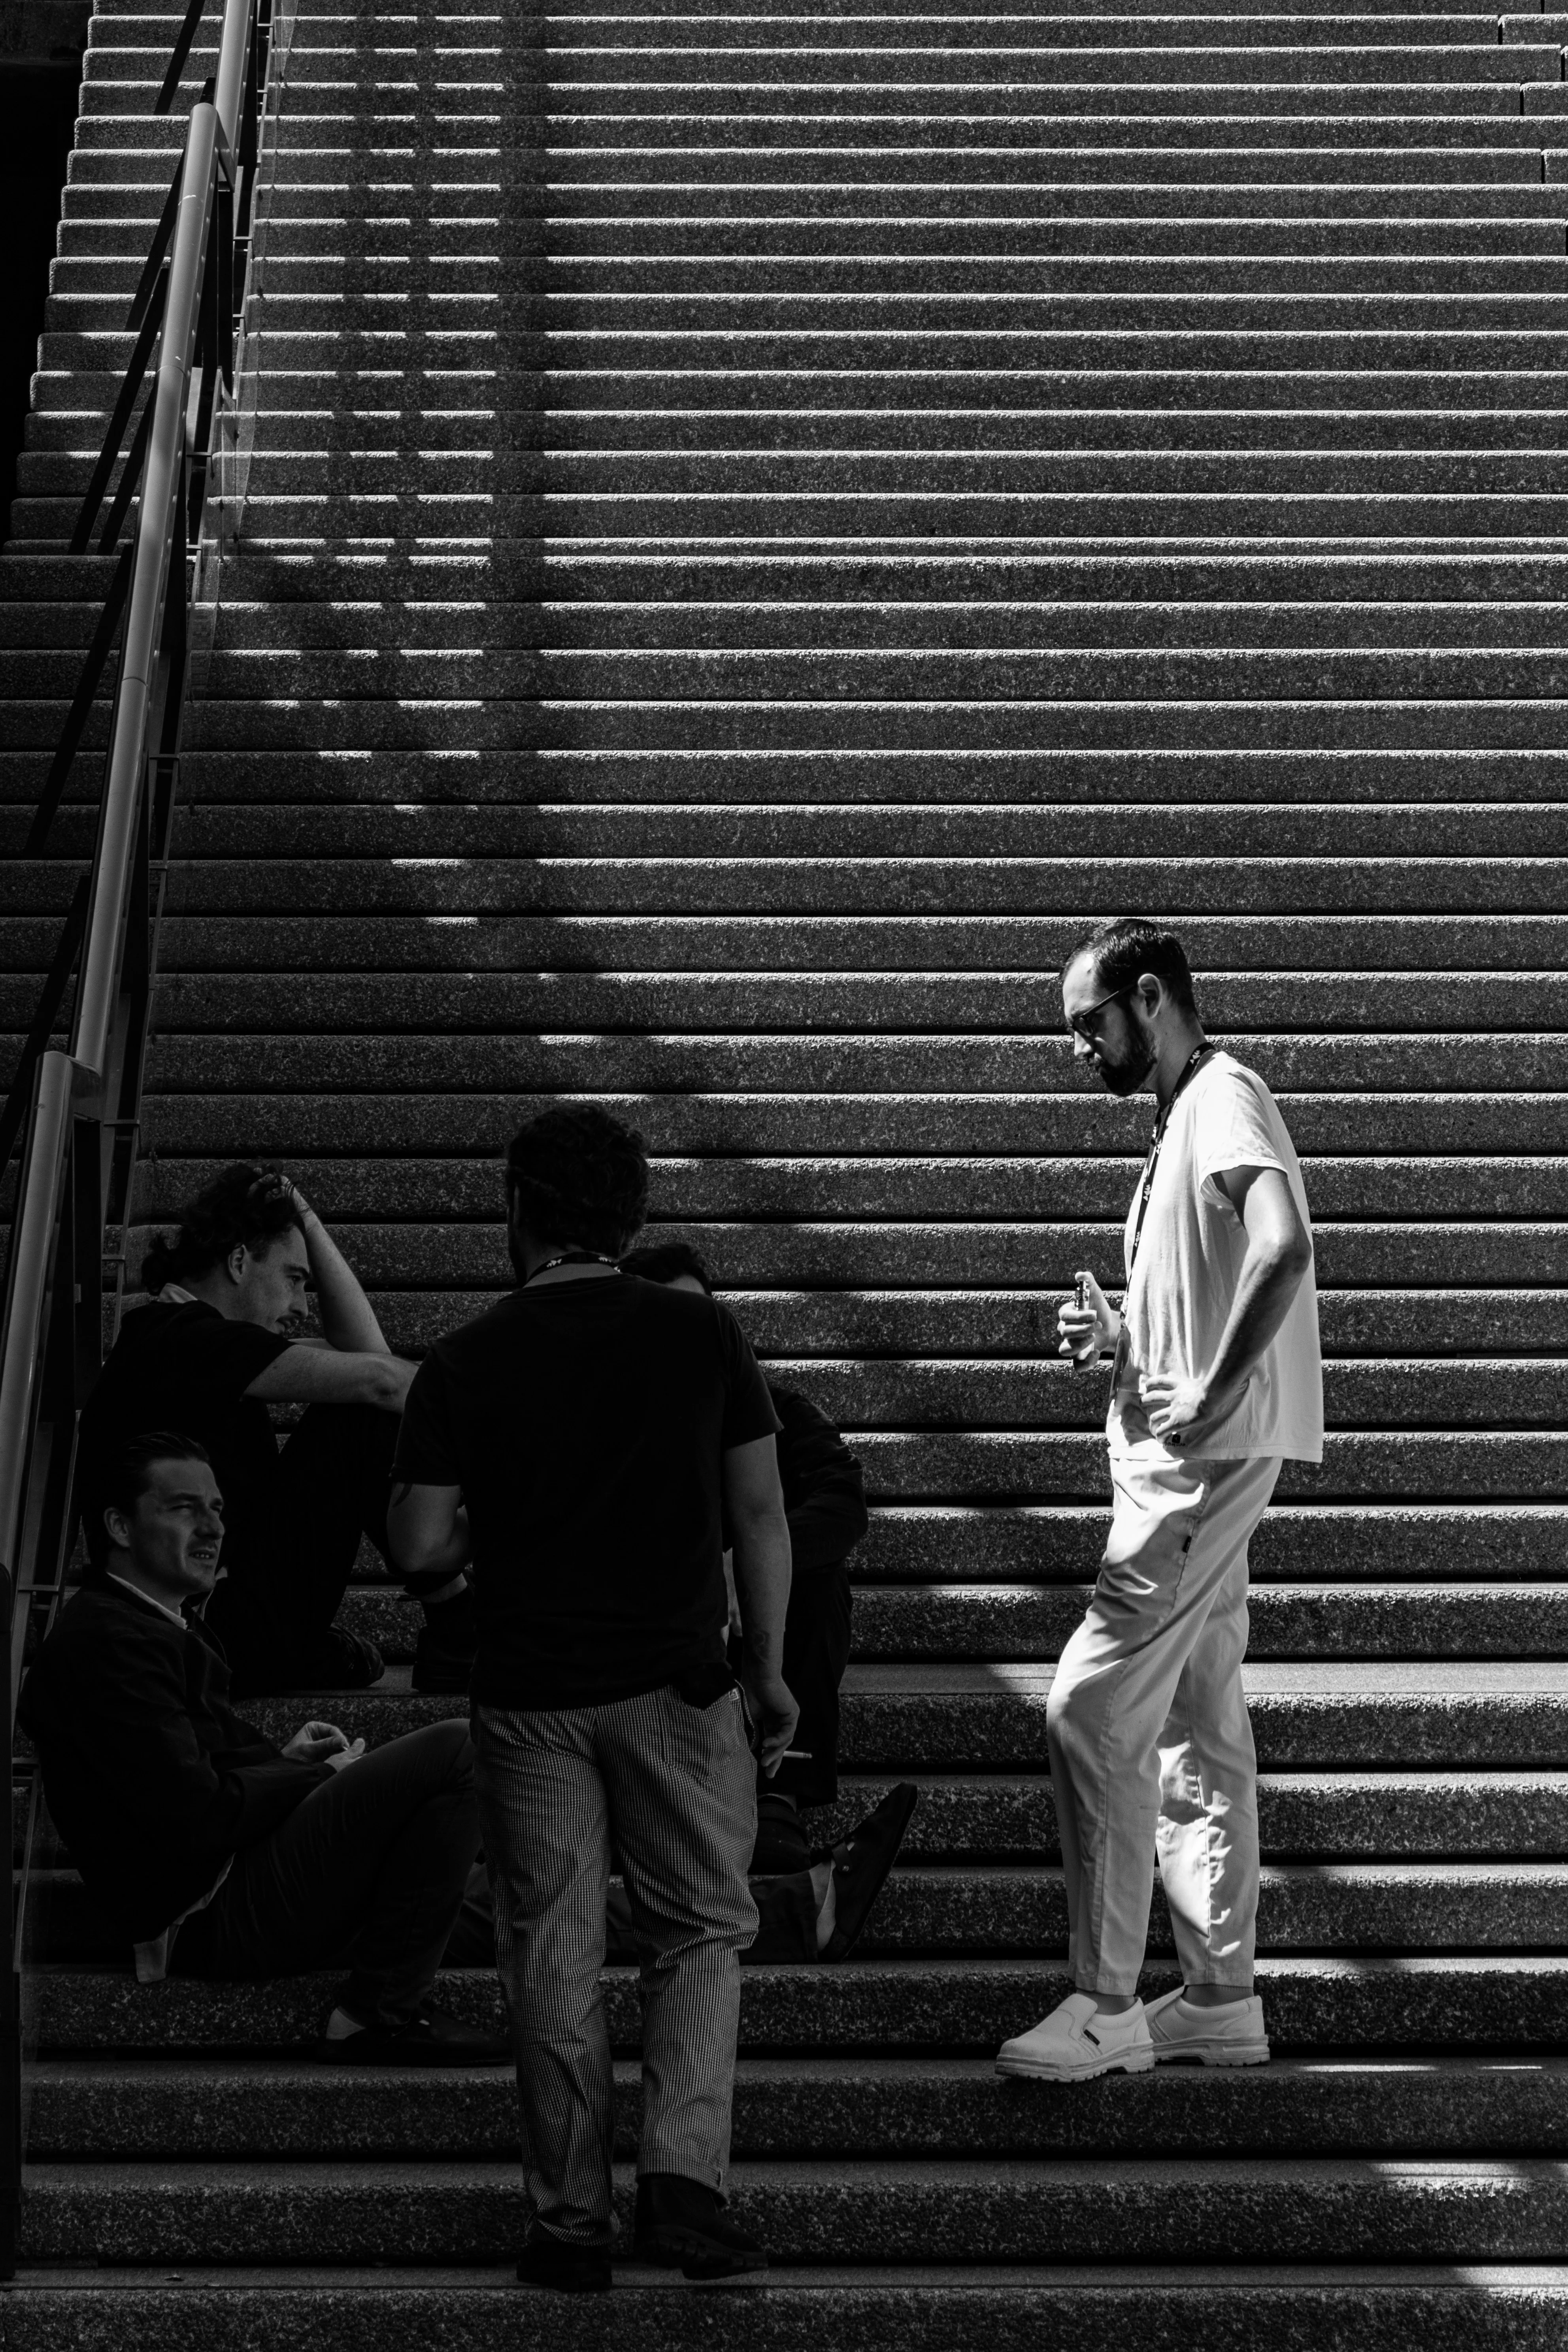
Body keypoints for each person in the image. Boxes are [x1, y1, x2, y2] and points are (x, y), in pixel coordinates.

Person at [388, 1107, 912, 2295]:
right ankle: (683, 2180)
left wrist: (490, 1519)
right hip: (677, 1683)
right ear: (632, 1216)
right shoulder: (699, 1336)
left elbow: (419, 1540)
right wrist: (770, 1667)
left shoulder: (467, 1358)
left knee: (551, 1951)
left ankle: (569, 2219)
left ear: (517, 1210)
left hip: (527, 1697)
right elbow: (762, 1514)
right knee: (699, 1931)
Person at [996, 917, 1322, 2085]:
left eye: (1090, 1022)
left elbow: (1280, 1245)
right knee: (1197, 1722)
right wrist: (1125, 1340)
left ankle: (1101, 2001)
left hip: (1190, 1472)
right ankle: (1219, 1998)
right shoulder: (1179, 1117)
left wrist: (1213, 1391)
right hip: (1187, 1455)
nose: (1077, 1046)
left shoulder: (1222, 1090)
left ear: (1150, 995)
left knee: (1088, 1707)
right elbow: (1221, 1278)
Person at [18, 1432, 508, 2067]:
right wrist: (310, 1775)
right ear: (118, 1524)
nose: (211, 1527)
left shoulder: (160, 1625)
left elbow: (194, 1777)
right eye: (182, 1508)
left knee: (550, 1904)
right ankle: (376, 2013)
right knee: (457, 1749)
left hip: (249, 1882)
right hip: (211, 1912)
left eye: (218, 1509)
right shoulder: (110, 1644)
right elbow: (199, 1816)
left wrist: (291, 1760)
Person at [76, 1163, 476, 1697]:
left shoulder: (184, 1340)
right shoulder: (183, 1342)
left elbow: (366, 1355)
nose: (301, 1307)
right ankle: (458, 1622)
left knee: (365, 1401)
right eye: (293, 1279)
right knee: (356, 1416)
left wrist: (304, 1219)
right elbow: (382, 1381)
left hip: (216, 1616)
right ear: (239, 1261)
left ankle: (323, 1646)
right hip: (203, 1631)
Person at [619, 1240, 871, 1874]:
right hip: (652, 1636)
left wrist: (747, 1563)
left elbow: (842, 1507)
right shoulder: (614, 1422)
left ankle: (778, 1785)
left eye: (700, 1319)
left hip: (754, 1630)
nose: (688, 1338)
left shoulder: (777, 1409)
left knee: (813, 1574)